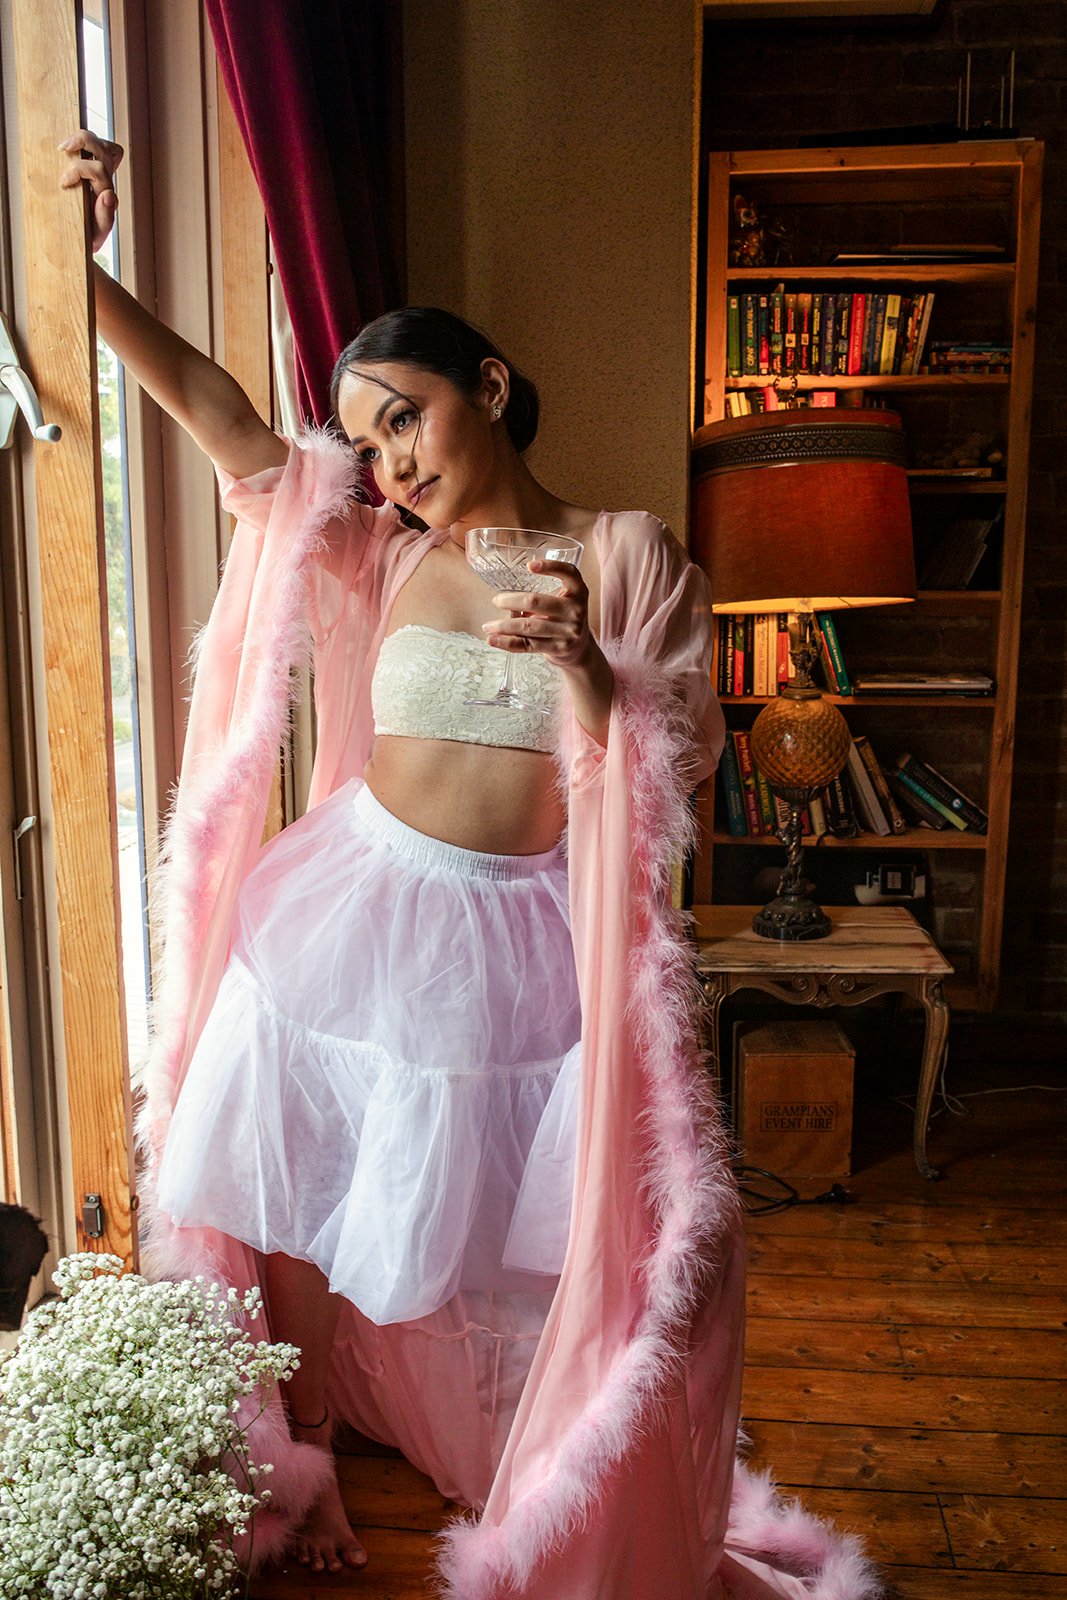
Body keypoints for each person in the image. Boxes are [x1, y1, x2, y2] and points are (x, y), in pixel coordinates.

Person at [60, 132, 883, 1600]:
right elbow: (224, 420)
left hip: (520, 938)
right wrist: (86, 271)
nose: (392, 462)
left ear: (488, 388)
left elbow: (679, 766)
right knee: (305, 1184)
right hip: (355, 904)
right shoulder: (382, 553)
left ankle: (533, 1434)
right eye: (370, 443)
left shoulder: (625, 553)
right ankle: (310, 1446)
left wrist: (584, 666)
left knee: (486, 1223)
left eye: (408, 419)